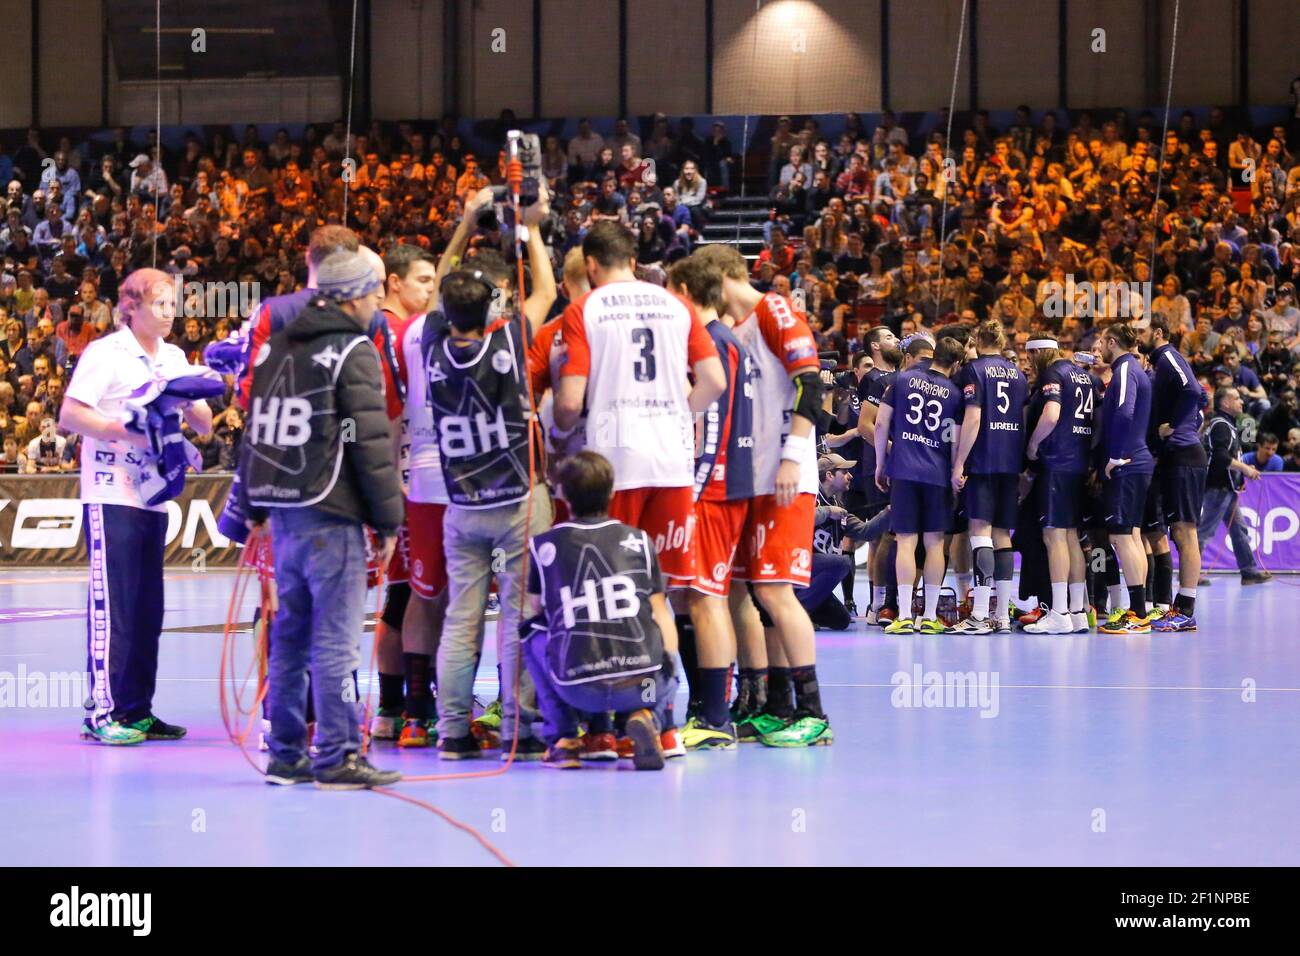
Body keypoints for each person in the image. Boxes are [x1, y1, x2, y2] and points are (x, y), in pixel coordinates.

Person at [555, 223, 725, 755]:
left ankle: (605, 727)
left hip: (614, 466)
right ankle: (665, 720)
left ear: (589, 265)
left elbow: (570, 399)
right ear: (634, 257)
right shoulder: (675, 305)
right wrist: (678, 415)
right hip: (670, 466)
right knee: (659, 597)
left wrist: (562, 432)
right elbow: (714, 380)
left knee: (604, 593)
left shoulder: (586, 308)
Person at [240, 250, 404, 789]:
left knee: (289, 637)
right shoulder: (352, 350)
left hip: (284, 514)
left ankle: (286, 754)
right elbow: (372, 444)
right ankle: (336, 755)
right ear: (354, 294)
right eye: (375, 289)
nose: (381, 299)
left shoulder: (274, 347)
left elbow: (255, 430)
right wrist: (387, 521)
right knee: (334, 642)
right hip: (332, 514)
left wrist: (252, 509)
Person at [425, 184, 557, 762]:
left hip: (462, 504)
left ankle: (452, 731)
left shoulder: (429, 343)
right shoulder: (508, 343)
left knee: (462, 616)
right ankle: (516, 725)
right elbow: (547, 289)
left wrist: (464, 221)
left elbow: (436, 285)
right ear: (491, 309)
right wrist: (527, 227)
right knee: (521, 611)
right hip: (518, 498)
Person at [59, 268, 214, 745]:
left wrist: (186, 400)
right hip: (112, 492)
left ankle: (137, 710)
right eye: (160, 304)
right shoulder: (108, 353)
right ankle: (102, 713)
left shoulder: (172, 356)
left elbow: (205, 423)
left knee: (148, 609)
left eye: (174, 304)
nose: (170, 313)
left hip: (152, 495)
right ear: (131, 308)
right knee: (116, 606)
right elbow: (70, 414)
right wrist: (131, 429)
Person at [696, 242, 833, 747]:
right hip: (753, 476)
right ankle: (777, 705)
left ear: (719, 276)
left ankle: (814, 713)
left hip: (785, 475)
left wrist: (794, 456)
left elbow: (812, 384)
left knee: (776, 591)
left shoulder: (774, 308)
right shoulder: (735, 330)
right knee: (759, 589)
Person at [522, 451, 680, 771]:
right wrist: (666, 671)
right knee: (663, 614)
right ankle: (652, 716)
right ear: (612, 492)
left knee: (530, 631)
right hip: (642, 684)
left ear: (562, 496)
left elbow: (538, 611)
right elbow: (660, 616)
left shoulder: (543, 545)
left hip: (579, 690)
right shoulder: (640, 540)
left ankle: (564, 739)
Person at [666, 254, 753, 750]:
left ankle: (715, 716)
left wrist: (695, 489)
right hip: (716, 484)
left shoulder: (715, 341)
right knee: (688, 595)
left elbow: (713, 427)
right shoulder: (720, 338)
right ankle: (702, 705)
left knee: (706, 597)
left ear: (684, 288)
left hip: (712, 487)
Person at [367, 243, 437, 743]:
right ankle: (408, 707)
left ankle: (396, 710)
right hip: (408, 482)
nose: (431, 290)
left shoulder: (387, 330)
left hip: (397, 478)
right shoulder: (398, 333)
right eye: (423, 281)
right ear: (395, 282)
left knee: (401, 594)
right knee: (412, 596)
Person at [874, 337, 966, 635]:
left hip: (903, 469)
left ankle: (902, 614)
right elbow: (954, 439)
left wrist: (879, 463)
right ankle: (928, 616)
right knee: (934, 543)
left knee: (905, 541)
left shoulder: (901, 380)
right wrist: (955, 472)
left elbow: (880, 424)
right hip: (937, 473)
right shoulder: (954, 393)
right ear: (954, 364)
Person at [949, 320, 1028, 634]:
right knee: (1002, 535)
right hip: (1010, 461)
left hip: (983, 459)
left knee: (979, 532)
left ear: (978, 340)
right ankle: (1003, 617)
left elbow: (973, 417)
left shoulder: (974, 370)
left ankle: (980, 615)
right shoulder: (1017, 373)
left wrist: (959, 462)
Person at [1022, 337, 1098, 633]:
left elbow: (1051, 415)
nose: (1028, 361)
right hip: (1079, 463)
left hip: (1057, 462)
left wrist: (1032, 445)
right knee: (1070, 537)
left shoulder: (1052, 373)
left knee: (1053, 536)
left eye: (1030, 355)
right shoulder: (1084, 375)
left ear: (1041, 352)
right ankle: (1078, 611)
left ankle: (1059, 612)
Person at [1142, 314, 1210, 632]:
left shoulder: (1168, 356)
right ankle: (1179, 608)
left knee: (1185, 533)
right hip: (1175, 457)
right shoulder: (1158, 363)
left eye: (1141, 330)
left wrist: (1175, 427)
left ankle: (1186, 609)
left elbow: (1195, 391)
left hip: (1184, 456)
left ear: (1157, 332)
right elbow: (1203, 398)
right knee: (1179, 532)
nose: (1137, 335)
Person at [1096, 323, 1158, 634]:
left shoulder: (1123, 370)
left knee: (1122, 537)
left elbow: (1123, 412)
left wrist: (1116, 455)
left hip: (1128, 462)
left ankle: (1138, 614)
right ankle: (1140, 609)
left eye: (1101, 343)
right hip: (1139, 459)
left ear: (1111, 342)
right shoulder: (1136, 369)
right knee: (1132, 536)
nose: (1099, 350)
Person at [1198, 386, 1271, 585]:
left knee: (1239, 530)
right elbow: (1221, 458)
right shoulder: (1221, 425)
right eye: (1237, 398)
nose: (1242, 402)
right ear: (1225, 403)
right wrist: (1245, 470)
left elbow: (1228, 457)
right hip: (1217, 488)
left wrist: (1240, 473)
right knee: (1204, 531)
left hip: (1227, 488)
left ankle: (1248, 572)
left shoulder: (1227, 425)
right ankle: (1191, 573)